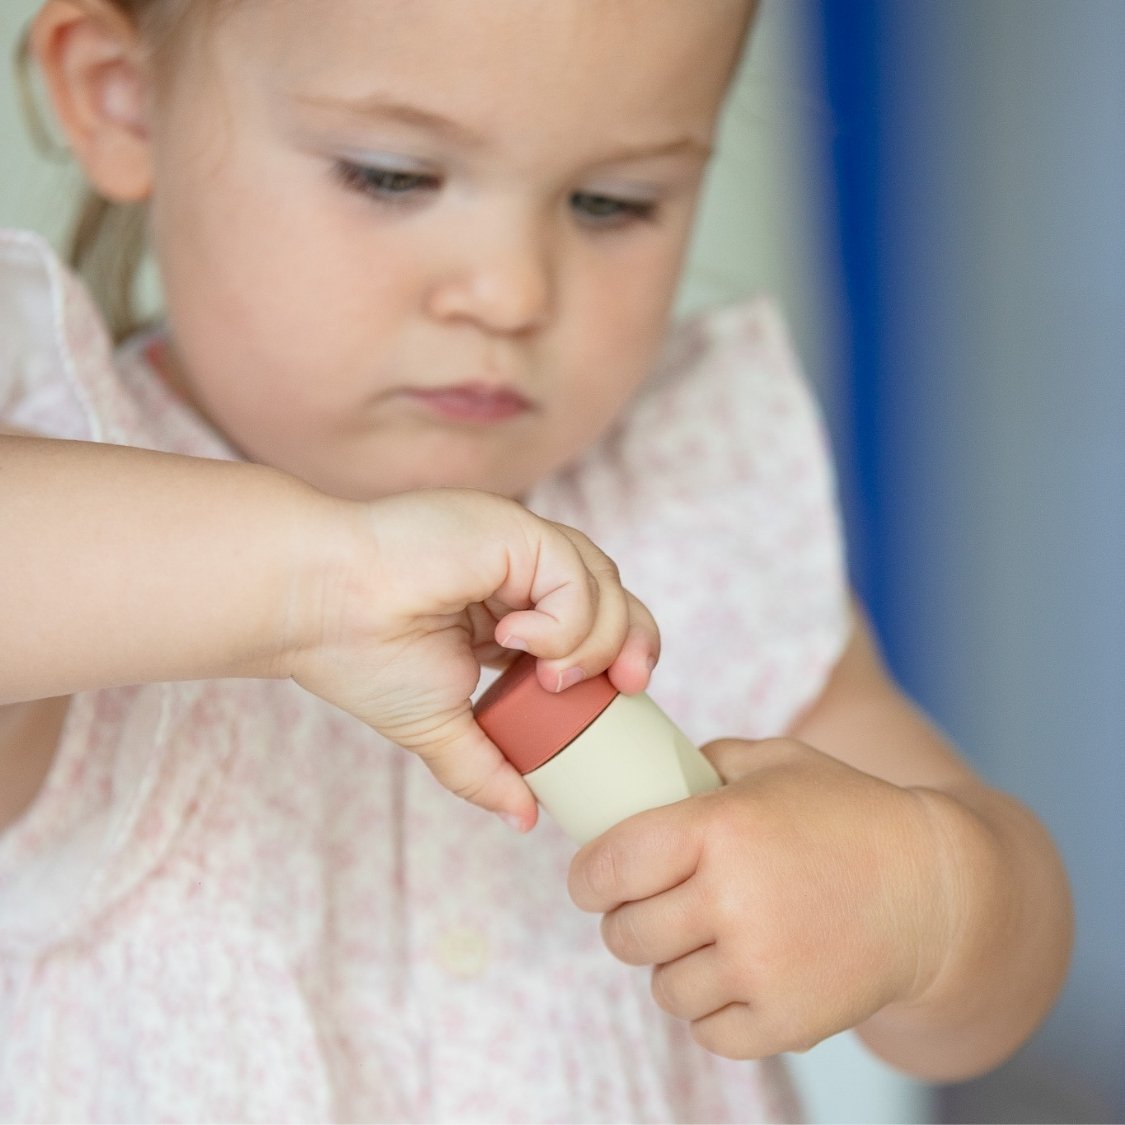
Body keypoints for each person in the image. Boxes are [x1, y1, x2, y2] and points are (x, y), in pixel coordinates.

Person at [0, 0, 1072, 1120]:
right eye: (391, 176)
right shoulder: (74, 487)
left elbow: (994, 981)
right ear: (121, 96)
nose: (512, 292)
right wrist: (313, 582)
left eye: (613, 202)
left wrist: (930, 900)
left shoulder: (694, 491)